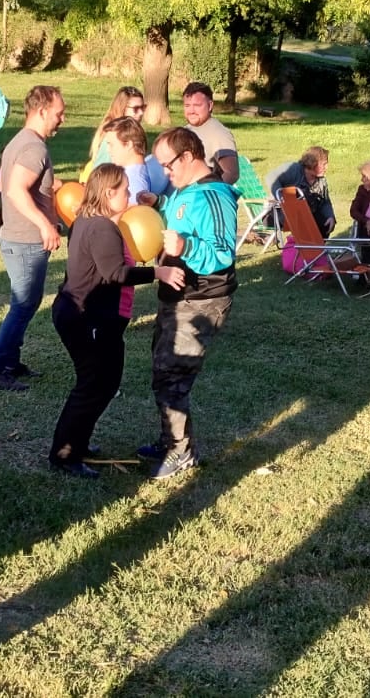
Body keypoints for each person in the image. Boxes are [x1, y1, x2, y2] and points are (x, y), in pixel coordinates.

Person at [49, 164, 185, 477]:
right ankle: (64, 454)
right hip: (85, 317)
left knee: (106, 382)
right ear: (109, 193)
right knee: (93, 384)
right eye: (124, 189)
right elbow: (115, 273)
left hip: (88, 315)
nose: (128, 194)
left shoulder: (89, 220)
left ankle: (76, 443)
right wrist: (158, 272)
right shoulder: (100, 227)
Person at [142, 128, 240, 480]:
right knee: (162, 370)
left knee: (172, 375)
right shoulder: (185, 190)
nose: (166, 172)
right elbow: (185, 219)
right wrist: (160, 206)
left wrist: (185, 249)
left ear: (188, 157)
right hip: (176, 296)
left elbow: (222, 253)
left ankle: (181, 452)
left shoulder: (217, 196)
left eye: (168, 165)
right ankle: (169, 439)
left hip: (201, 300)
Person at [0, 85, 66, 392]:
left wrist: (49, 184)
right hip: (26, 240)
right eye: (59, 113)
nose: (62, 119)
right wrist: (45, 225)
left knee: (26, 303)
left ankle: (10, 362)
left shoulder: (22, 141)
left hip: (16, 238)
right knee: (23, 304)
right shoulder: (34, 148)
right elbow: (15, 189)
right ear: (41, 111)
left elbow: (13, 183)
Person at [268, 146, 335, 237]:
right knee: (308, 219)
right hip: (281, 213)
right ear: (312, 163)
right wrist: (280, 197)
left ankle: (315, 250)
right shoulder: (294, 169)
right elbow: (272, 177)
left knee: (325, 224)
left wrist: (330, 216)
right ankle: (303, 247)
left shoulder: (321, 181)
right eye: (324, 164)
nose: (326, 167)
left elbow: (325, 201)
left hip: (307, 214)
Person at [180, 82, 238, 185]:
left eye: (197, 105)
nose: (191, 111)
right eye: (187, 105)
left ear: (210, 105)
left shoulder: (219, 133)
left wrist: (208, 194)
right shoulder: (184, 131)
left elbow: (231, 173)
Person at [102, 116, 167, 206]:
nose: (108, 150)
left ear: (128, 144)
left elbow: (130, 216)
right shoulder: (134, 173)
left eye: (111, 145)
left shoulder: (133, 182)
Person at [87, 86, 147, 168]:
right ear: (122, 108)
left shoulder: (128, 132)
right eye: (136, 108)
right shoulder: (112, 137)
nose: (141, 113)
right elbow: (100, 172)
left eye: (143, 107)